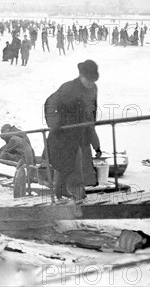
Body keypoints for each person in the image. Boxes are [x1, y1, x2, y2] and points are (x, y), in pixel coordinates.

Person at [44, 60, 102, 203]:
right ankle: (63, 196)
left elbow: (91, 114)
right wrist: (54, 124)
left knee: (81, 166)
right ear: (81, 76)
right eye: (88, 80)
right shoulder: (68, 88)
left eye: (92, 80)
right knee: (66, 165)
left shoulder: (93, 89)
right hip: (64, 134)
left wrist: (96, 143)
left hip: (82, 134)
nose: (90, 83)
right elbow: (50, 103)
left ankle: (76, 197)